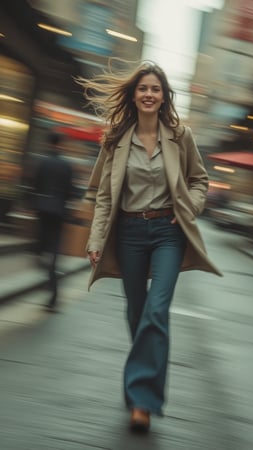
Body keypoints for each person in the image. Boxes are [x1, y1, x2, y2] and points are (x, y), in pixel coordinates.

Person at [78, 60, 222, 432]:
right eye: (143, 88)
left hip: (167, 233)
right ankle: (142, 388)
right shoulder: (115, 138)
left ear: (164, 96)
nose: (149, 94)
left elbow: (199, 181)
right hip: (128, 233)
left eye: (155, 89)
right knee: (137, 315)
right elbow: (103, 196)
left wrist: (188, 207)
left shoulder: (180, 135)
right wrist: (95, 239)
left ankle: (141, 400)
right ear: (134, 94)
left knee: (156, 312)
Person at [32, 132, 73, 311]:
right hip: (58, 211)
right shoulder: (66, 165)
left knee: (42, 246)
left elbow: (35, 185)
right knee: (54, 251)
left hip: (42, 209)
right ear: (60, 145)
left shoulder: (42, 162)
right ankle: (53, 294)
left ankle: (42, 260)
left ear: (49, 143)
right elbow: (70, 191)